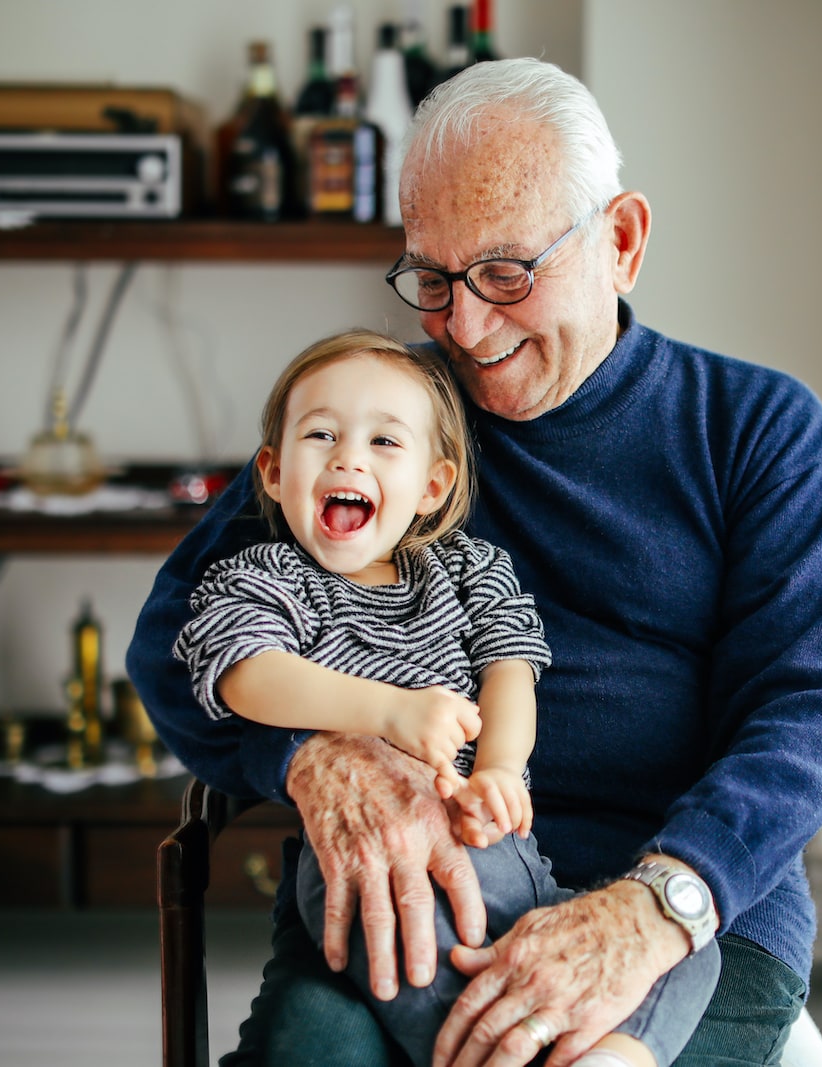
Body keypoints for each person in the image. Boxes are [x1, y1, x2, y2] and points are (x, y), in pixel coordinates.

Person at [128, 56, 822, 1067]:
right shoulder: (384, 424)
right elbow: (179, 636)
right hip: (413, 887)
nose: (464, 329)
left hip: (680, 909)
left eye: (506, 273)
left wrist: (651, 910)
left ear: (621, 242)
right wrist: (312, 753)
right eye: (431, 278)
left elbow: (807, 713)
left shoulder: (757, 431)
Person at [171, 329, 718, 1067]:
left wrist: (497, 767)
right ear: (271, 472)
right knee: (405, 947)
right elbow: (246, 672)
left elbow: (512, 669)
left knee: (686, 948)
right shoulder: (268, 577)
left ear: (432, 485)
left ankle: (612, 1056)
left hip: (509, 857)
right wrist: (388, 712)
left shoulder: (467, 569)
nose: (348, 457)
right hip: (371, 862)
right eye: (321, 434)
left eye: (384, 442)